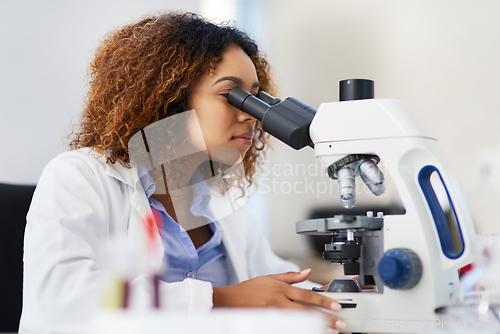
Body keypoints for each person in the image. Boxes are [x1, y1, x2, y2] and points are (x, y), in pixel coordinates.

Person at [20, 12, 345, 333]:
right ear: (170, 100)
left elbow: (279, 292)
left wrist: (350, 296)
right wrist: (222, 300)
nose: (251, 117)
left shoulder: (224, 210)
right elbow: (63, 299)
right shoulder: (79, 178)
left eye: (256, 99)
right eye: (232, 95)